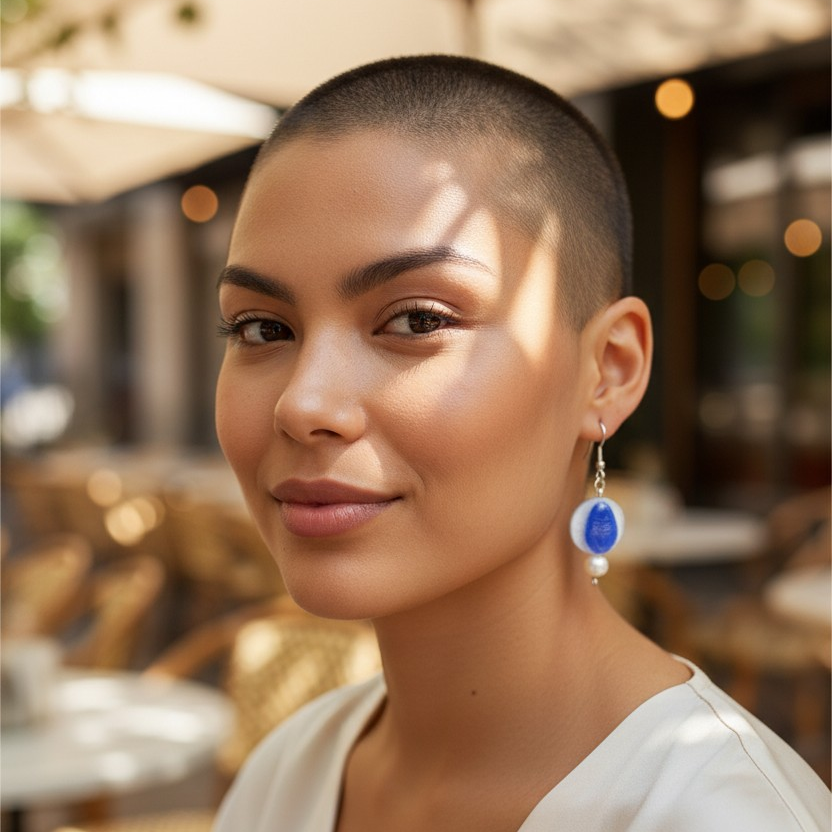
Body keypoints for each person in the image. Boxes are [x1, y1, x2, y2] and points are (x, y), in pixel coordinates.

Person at [213, 56, 829, 831]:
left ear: (607, 371)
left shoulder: (721, 815)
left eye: (418, 320)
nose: (304, 404)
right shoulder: (288, 771)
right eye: (260, 328)